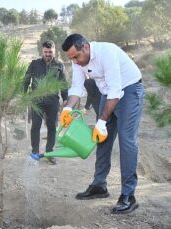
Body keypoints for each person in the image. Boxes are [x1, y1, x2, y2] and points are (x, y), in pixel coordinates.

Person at [60, 34, 143, 214]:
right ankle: (99, 186)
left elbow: (116, 90)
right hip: (108, 92)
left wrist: (102, 121)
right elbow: (76, 87)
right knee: (102, 138)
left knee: (126, 141)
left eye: (76, 57)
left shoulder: (108, 52)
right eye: (71, 58)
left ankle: (129, 195)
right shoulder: (77, 61)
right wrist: (67, 109)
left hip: (128, 89)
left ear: (86, 47)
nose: (75, 61)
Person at [23, 40, 68, 165]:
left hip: (52, 101)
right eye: (45, 52)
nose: (48, 54)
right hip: (36, 100)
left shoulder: (59, 65)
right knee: (35, 126)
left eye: (50, 52)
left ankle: (49, 152)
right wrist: (23, 95)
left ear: (54, 51)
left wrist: (65, 99)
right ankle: (35, 152)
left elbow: (63, 84)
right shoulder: (34, 64)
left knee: (52, 127)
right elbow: (26, 80)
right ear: (42, 51)